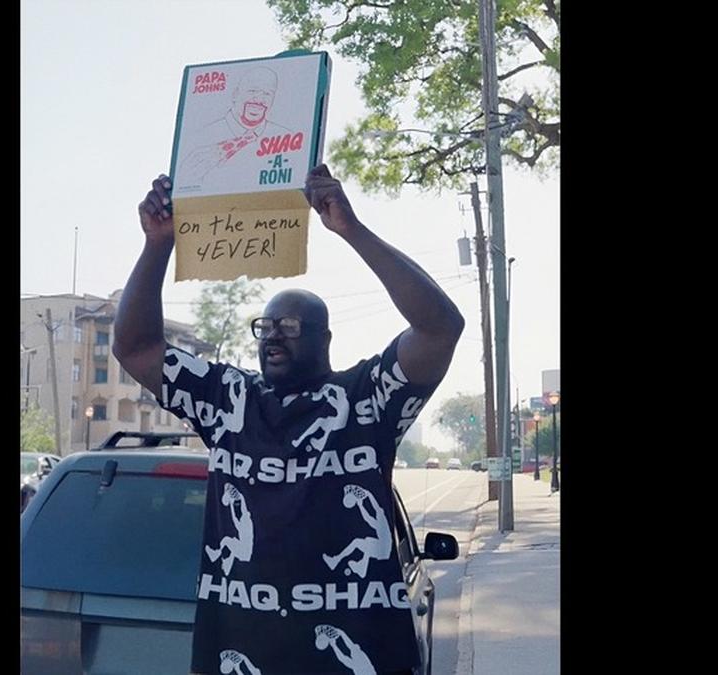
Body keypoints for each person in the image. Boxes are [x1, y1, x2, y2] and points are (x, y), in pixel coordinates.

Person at [114, 163, 464, 675]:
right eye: (266, 326)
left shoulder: (365, 400)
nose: (273, 336)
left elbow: (439, 329)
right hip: (244, 655)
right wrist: (158, 244)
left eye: (291, 325)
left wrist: (351, 229)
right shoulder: (228, 401)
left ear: (324, 339)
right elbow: (137, 346)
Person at [178, 66, 295, 186]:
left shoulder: (288, 138)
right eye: (252, 91)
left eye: (267, 93)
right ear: (235, 95)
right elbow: (185, 188)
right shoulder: (201, 138)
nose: (259, 99)